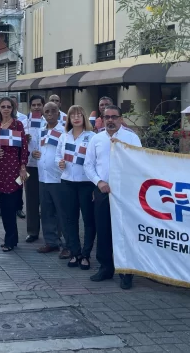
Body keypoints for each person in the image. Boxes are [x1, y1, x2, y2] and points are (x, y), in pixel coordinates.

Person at [84, 105, 141, 290]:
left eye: (114, 117)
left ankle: (126, 272)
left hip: (125, 193)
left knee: (124, 232)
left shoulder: (131, 138)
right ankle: (106, 268)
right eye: (106, 117)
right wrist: (98, 182)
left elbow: (140, 163)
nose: (110, 120)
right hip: (103, 191)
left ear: (120, 118)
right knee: (104, 230)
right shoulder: (96, 139)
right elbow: (88, 165)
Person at [57, 105, 96, 270]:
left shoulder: (93, 137)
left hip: (86, 183)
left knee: (88, 220)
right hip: (67, 182)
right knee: (70, 219)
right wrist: (58, 162)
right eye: (73, 115)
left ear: (84, 117)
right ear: (69, 119)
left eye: (80, 115)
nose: (76, 118)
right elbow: (58, 155)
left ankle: (86, 254)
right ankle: (75, 252)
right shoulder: (64, 137)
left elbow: (96, 159)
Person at [0, 97, 29, 252]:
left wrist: (23, 167)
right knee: (3, 206)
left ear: (13, 108)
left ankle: (10, 240)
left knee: (12, 205)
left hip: (14, 169)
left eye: (8, 106)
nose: (6, 109)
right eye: (3, 106)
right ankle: (10, 237)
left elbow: (24, 148)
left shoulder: (17, 125)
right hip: (0, 169)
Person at [32, 102, 69, 257]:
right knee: (46, 212)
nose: (50, 114)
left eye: (53, 111)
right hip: (43, 177)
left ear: (58, 113)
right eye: (46, 111)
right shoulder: (41, 131)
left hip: (58, 178)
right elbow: (38, 151)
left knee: (63, 213)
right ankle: (51, 242)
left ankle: (68, 244)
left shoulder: (64, 131)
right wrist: (35, 154)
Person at [24, 94, 45, 243]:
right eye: (34, 105)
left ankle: (52, 232)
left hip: (47, 168)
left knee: (48, 201)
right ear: (30, 107)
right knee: (31, 201)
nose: (37, 107)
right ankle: (32, 231)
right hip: (30, 166)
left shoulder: (50, 123)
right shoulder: (24, 123)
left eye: (39, 104)